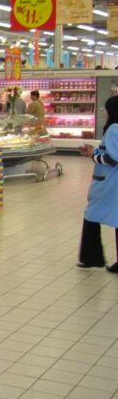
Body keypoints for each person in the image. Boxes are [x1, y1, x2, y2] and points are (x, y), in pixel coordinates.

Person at [77, 95, 118, 272]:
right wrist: (95, 151)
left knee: (91, 215)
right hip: (111, 183)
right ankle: (92, 257)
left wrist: (92, 155)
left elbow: (113, 158)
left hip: (110, 183)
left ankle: (91, 257)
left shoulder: (114, 129)